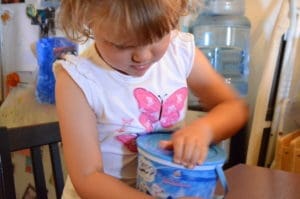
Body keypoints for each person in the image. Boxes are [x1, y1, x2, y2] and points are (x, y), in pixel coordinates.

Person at [54, 0, 248, 198]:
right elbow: (88, 178)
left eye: (158, 36)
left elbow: (234, 107)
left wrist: (205, 129)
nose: (142, 56)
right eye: (122, 45)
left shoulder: (179, 52)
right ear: (88, 20)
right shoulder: (78, 80)